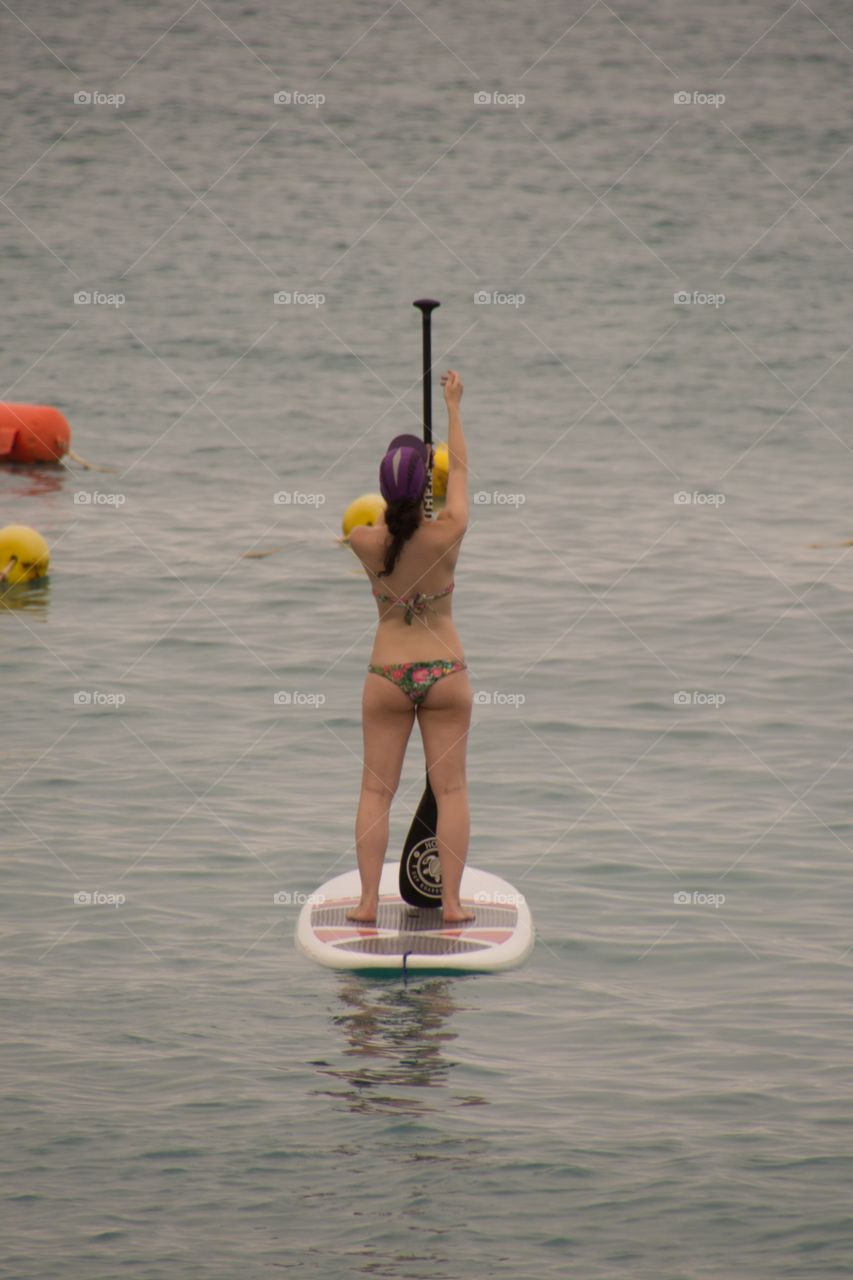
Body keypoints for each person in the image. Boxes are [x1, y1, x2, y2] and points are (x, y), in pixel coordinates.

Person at [345, 369, 474, 924]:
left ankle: (368, 903)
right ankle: (451, 905)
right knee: (450, 790)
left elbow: (380, 523)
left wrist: (404, 493)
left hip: (387, 678)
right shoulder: (449, 531)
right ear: (427, 487)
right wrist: (453, 408)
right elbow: (462, 473)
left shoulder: (363, 540)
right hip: (444, 672)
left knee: (376, 793)